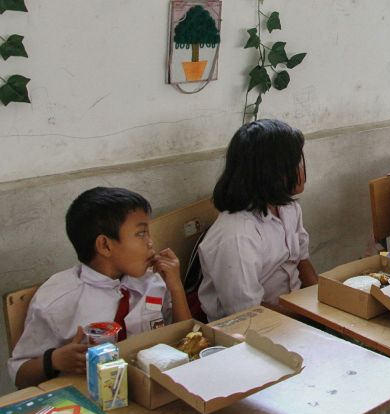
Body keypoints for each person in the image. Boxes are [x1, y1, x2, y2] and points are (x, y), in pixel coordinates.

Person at [8, 187, 191, 388]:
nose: (150, 243)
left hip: (150, 389)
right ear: (105, 245)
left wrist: (176, 287)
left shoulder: (152, 283)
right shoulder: (57, 300)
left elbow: (185, 343)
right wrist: (54, 361)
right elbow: (20, 375)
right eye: (141, 234)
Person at [198, 119, 318, 321]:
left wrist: (323, 303)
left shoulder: (288, 208)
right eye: (295, 164)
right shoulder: (237, 234)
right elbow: (247, 311)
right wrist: (308, 319)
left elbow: (302, 261)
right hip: (254, 328)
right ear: (270, 173)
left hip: (295, 314)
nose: (302, 171)